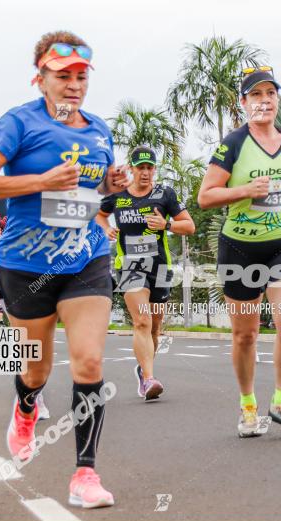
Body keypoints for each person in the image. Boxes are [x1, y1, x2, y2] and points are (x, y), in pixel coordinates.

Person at [0, 31, 129, 508]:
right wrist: (40, 180)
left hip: (85, 257)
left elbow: (96, 189)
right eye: (63, 76)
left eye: (81, 76)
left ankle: (85, 474)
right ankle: (25, 405)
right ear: (40, 77)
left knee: (89, 360)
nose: (74, 85)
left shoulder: (99, 128)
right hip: (26, 263)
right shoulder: (17, 123)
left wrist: (112, 182)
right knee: (36, 368)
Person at [197, 66, 281, 438]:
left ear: (277, 99)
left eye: (270, 93)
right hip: (239, 250)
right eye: (256, 95)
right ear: (244, 103)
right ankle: (248, 406)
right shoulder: (232, 144)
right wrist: (245, 190)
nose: (264, 100)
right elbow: (205, 197)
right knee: (245, 336)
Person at [96, 146, 195, 400]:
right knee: (142, 320)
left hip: (160, 266)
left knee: (155, 325)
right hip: (129, 265)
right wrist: (106, 228)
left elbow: (190, 226)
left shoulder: (165, 194)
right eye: (141, 167)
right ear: (131, 169)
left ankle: (143, 368)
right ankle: (149, 380)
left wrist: (167, 224)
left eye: (150, 167)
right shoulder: (117, 195)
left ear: (154, 169)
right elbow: (98, 214)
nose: (146, 172)